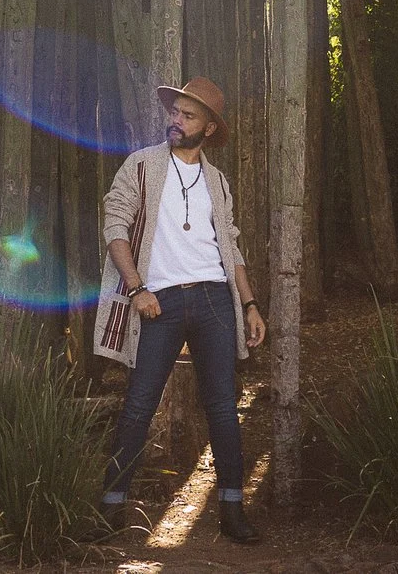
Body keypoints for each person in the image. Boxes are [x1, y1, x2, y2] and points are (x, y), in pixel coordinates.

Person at [93, 77, 266, 543]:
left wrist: (248, 304)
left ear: (208, 129)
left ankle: (232, 509)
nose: (176, 120)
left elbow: (230, 245)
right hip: (158, 302)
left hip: (213, 298)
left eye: (188, 116)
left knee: (223, 409)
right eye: (175, 112)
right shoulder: (143, 165)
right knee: (138, 407)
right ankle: (110, 508)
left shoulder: (217, 180)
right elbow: (115, 224)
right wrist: (136, 289)